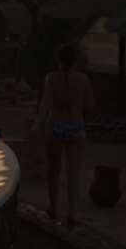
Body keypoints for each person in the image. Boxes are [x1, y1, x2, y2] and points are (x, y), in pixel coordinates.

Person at [36, 43, 97, 226]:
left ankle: (53, 209)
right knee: (73, 173)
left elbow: (45, 105)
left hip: (55, 126)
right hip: (76, 127)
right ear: (76, 60)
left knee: (53, 171)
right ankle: (73, 213)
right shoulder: (83, 80)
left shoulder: (51, 78)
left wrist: (37, 126)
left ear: (58, 60)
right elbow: (89, 107)